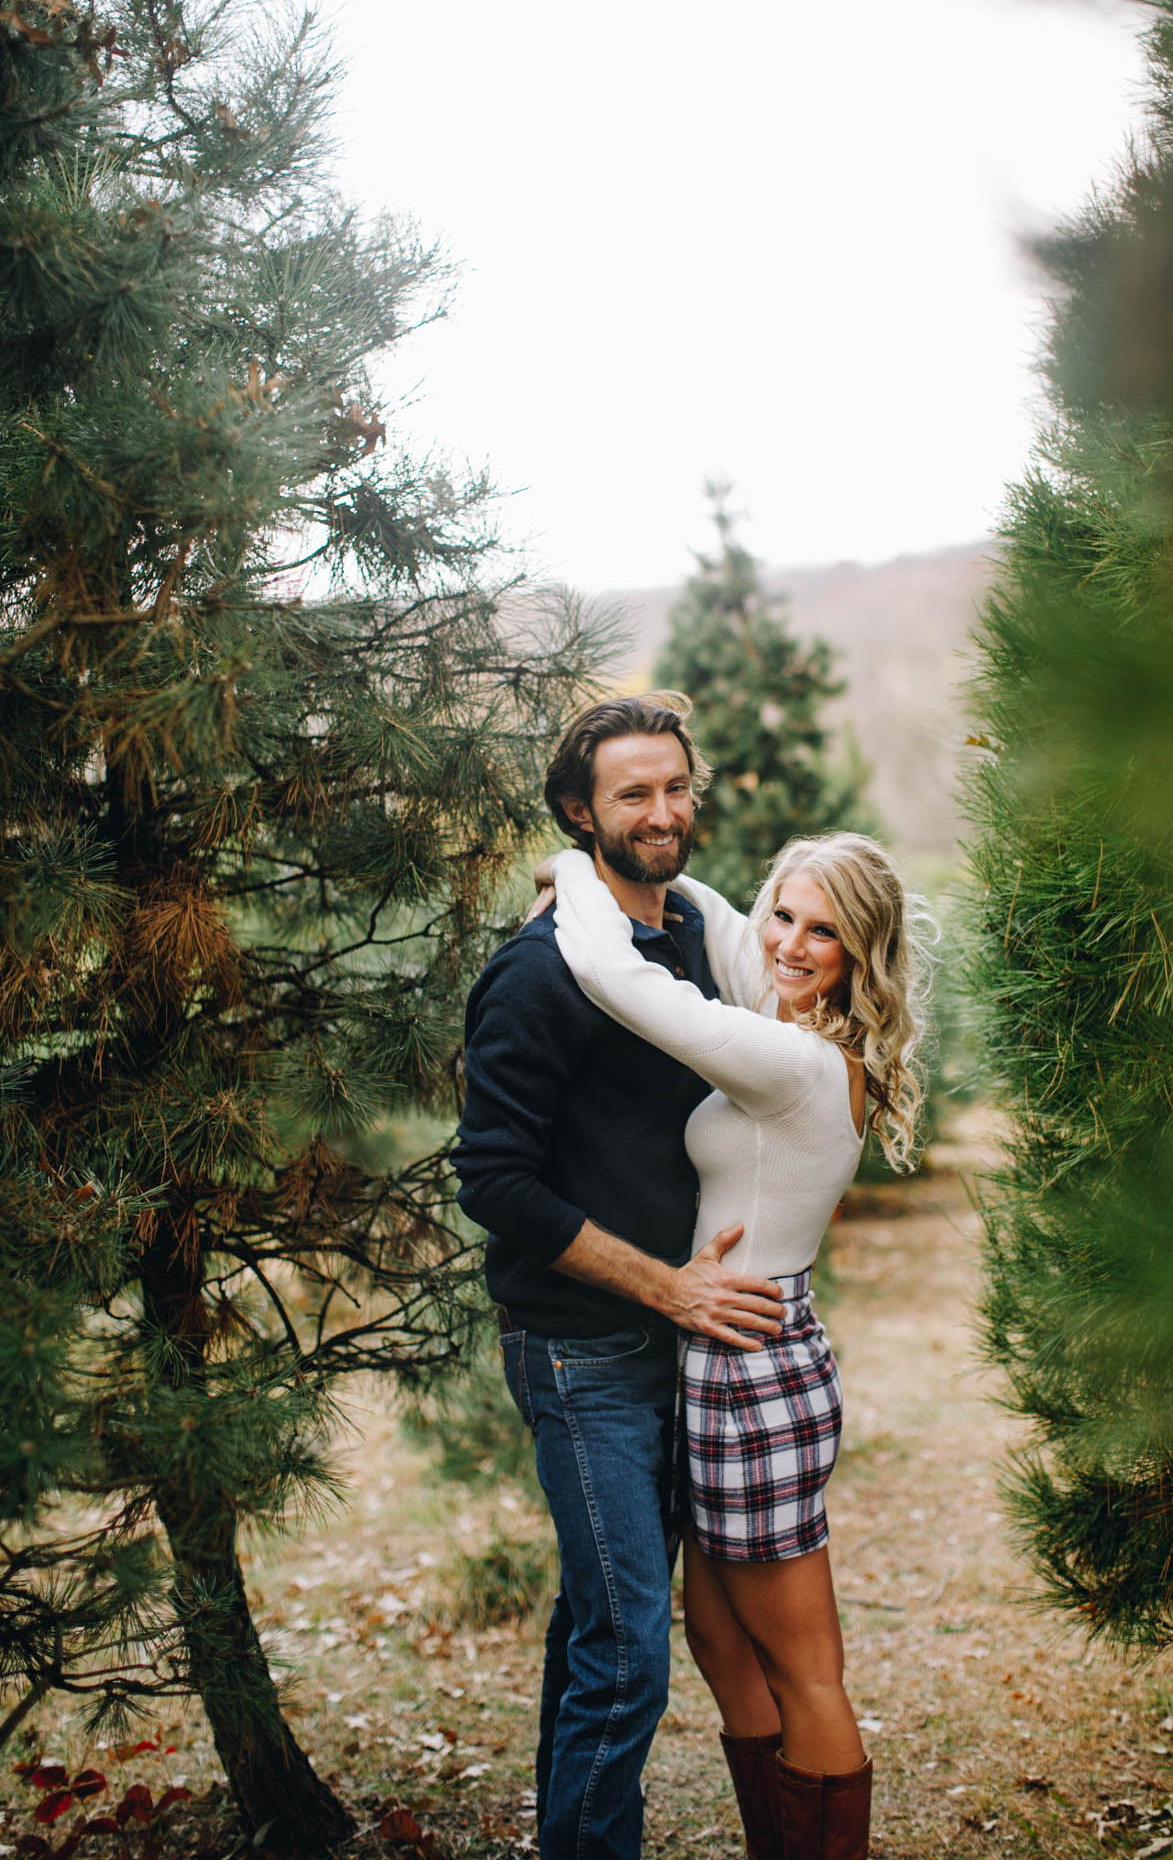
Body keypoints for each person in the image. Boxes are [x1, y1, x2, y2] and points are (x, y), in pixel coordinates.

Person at [543, 830, 929, 1860]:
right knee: (718, 1638)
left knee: (805, 1669)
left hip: (756, 1374)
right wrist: (643, 870)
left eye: (825, 930)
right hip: (726, 1362)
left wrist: (579, 871)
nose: (792, 943)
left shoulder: (797, 1060)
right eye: (785, 915)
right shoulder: (787, 1026)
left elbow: (620, 979)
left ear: (862, 952)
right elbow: (720, 926)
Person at [453, 693, 787, 1860]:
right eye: (631, 793)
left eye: (675, 785)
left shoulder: (691, 935)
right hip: (584, 1350)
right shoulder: (539, 974)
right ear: (577, 813)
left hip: (682, 1350)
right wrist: (668, 1287)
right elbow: (493, 1183)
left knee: (603, 1622)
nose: (662, 811)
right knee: (630, 1639)